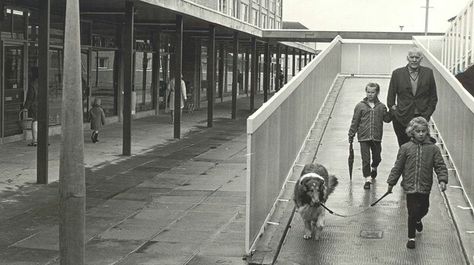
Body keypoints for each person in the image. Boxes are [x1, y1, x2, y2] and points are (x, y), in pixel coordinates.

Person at [386, 117, 448, 250]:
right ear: (412, 132)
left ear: (427, 132)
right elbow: (398, 167)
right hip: (410, 186)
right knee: (412, 212)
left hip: (425, 186)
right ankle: (411, 238)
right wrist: (391, 183)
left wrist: (442, 180)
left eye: (423, 131)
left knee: (424, 208)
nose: (421, 134)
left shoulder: (433, 149)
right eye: (418, 131)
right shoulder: (406, 148)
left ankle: (419, 219)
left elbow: (440, 166)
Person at [387, 47, 438, 147]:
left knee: (422, 149)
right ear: (407, 58)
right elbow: (390, 98)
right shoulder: (397, 73)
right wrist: (396, 113)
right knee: (404, 148)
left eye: (417, 57)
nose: (414, 60)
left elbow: (433, 97)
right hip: (402, 118)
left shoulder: (428, 73)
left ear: (421, 59)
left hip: (421, 117)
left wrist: (426, 115)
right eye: (412, 57)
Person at [348, 82, 391, 190]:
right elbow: (355, 121)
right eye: (368, 92)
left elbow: (386, 119)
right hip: (363, 136)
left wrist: (393, 112)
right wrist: (351, 133)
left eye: (372, 92)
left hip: (376, 137)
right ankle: (367, 179)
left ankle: (374, 167)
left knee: (377, 157)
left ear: (377, 93)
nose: (370, 94)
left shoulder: (381, 107)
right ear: (365, 92)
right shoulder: (360, 106)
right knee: (365, 159)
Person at [23, 67, 39, 146]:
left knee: (35, 122)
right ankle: (42, 140)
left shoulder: (32, 84)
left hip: (34, 106)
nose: (29, 74)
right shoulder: (43, 83)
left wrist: (26, 107)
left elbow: (30, 97)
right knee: (41, 122)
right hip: (42, 105)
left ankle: (35, 140)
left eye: (30, 72)